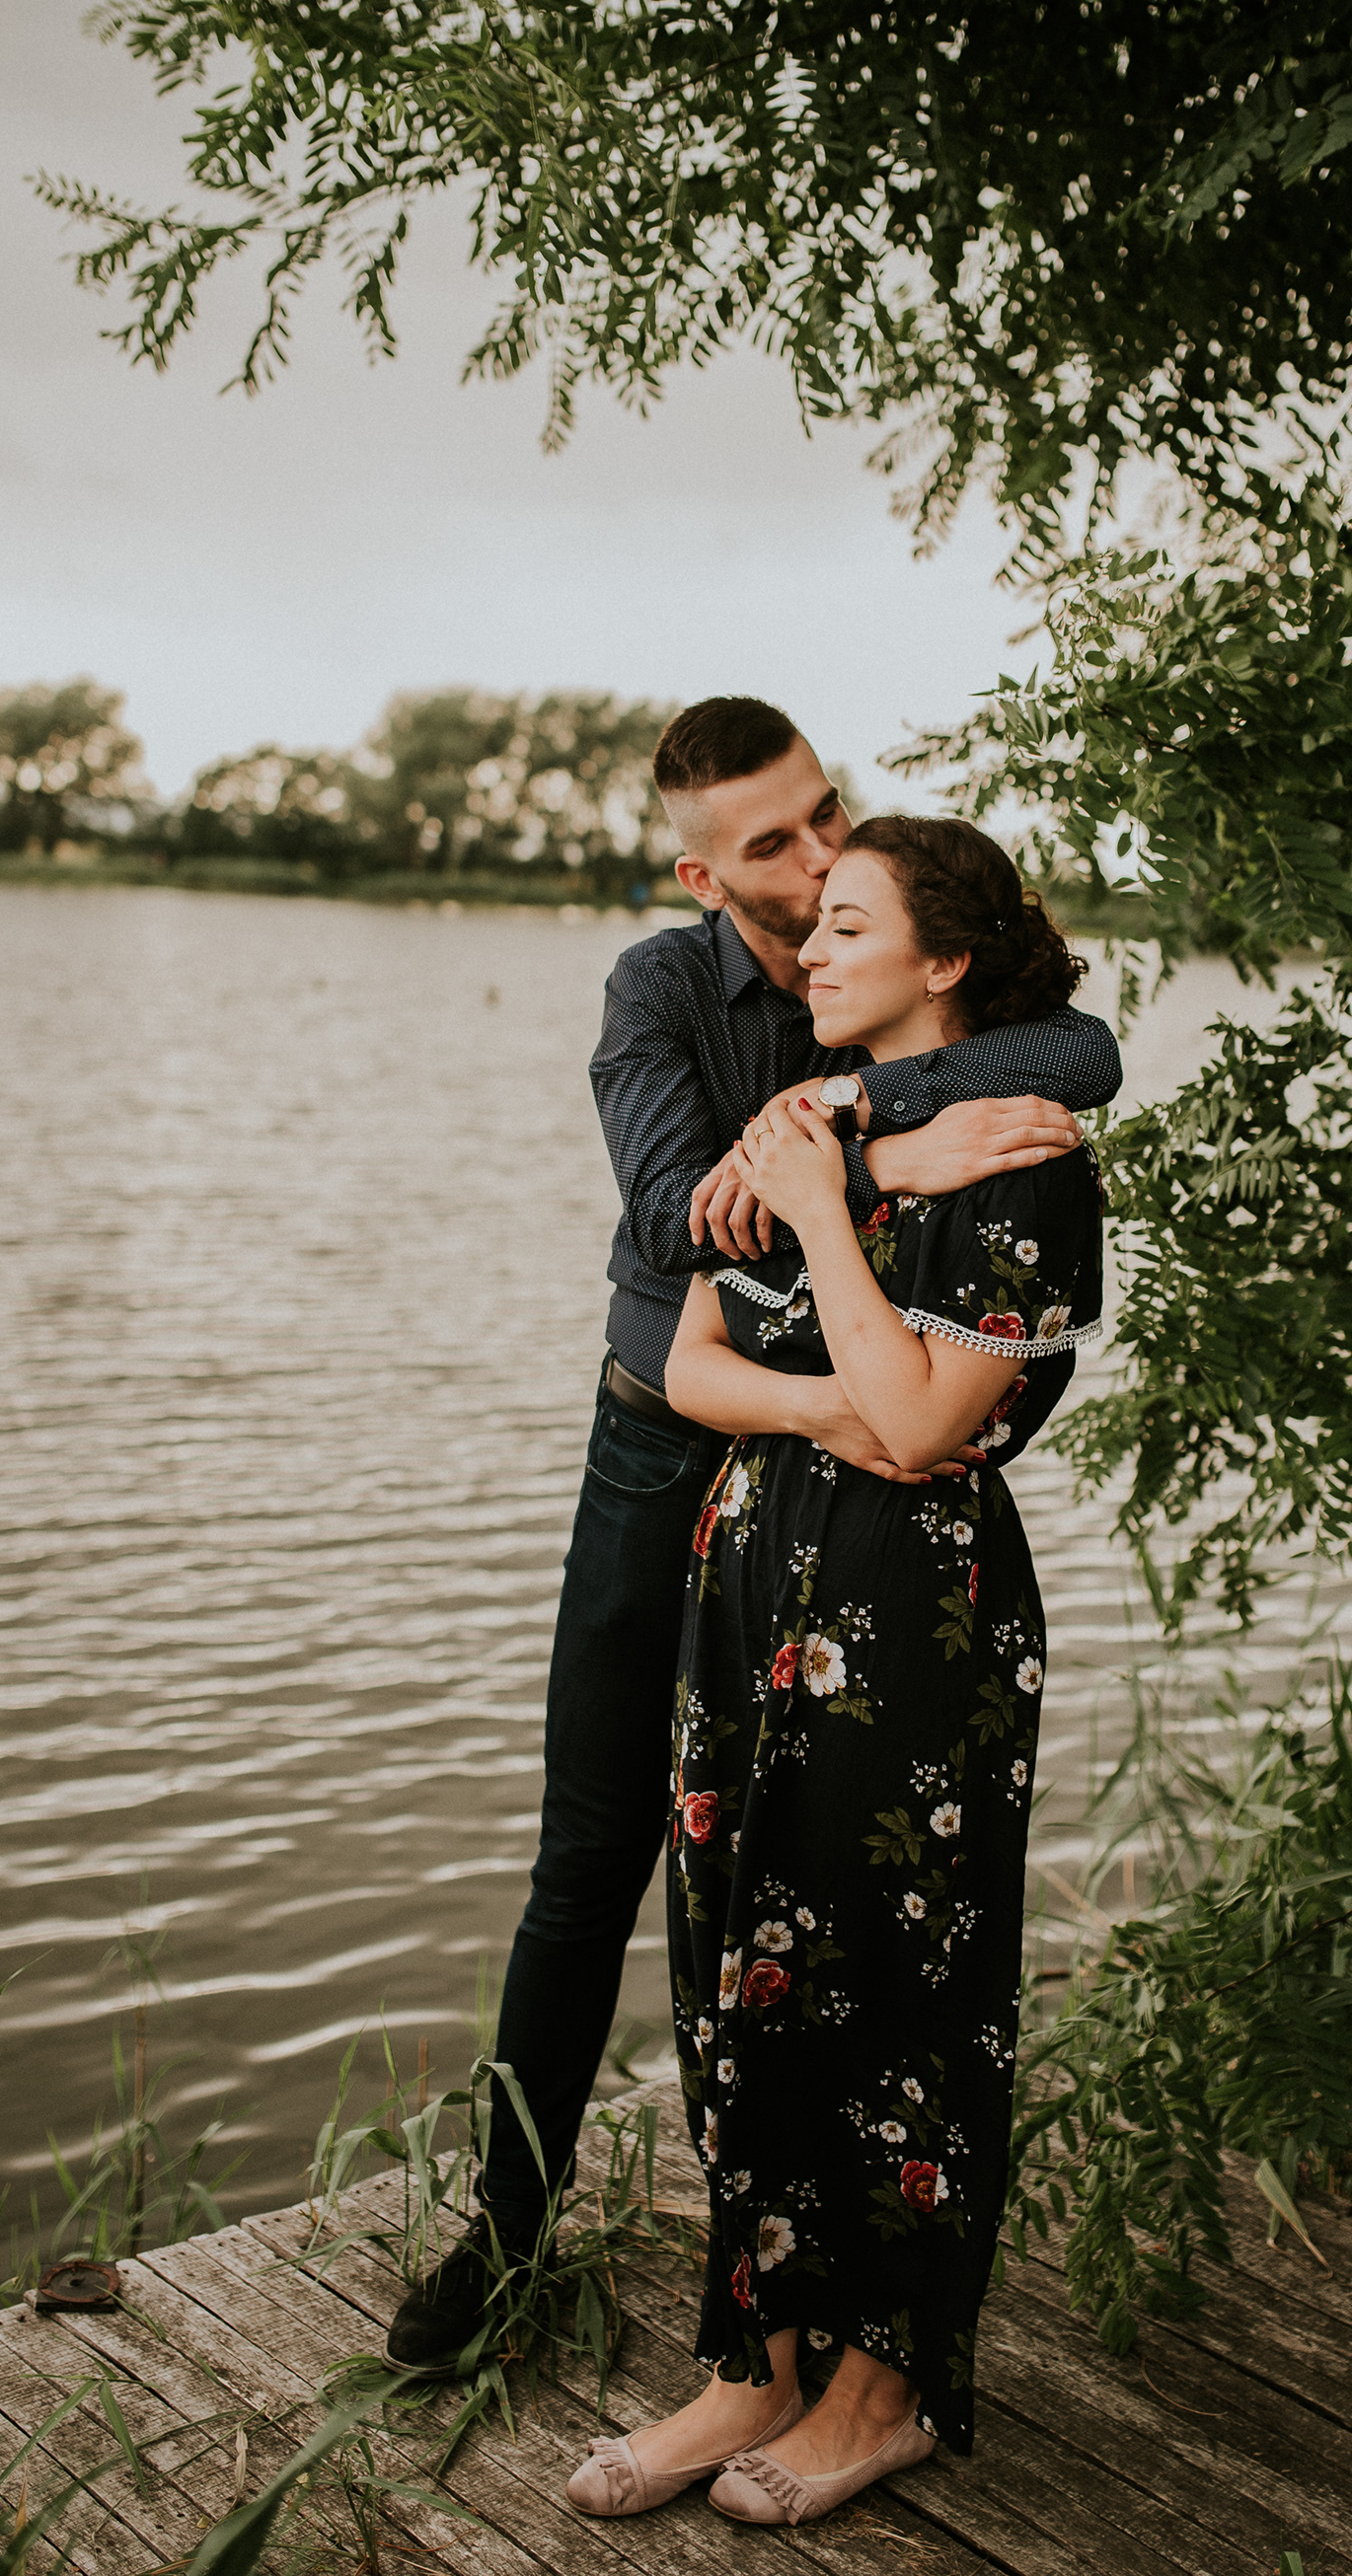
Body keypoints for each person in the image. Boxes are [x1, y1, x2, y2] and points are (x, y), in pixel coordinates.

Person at [385, 701, 1120, 2373]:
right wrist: (893, 1150)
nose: (815, 860)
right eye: (774, 846)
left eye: (825, 817)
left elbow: (1081, 1057)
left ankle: (791, 2288)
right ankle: (505, 2232)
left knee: (795, 1871)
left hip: (860, 1490)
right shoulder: (659, 992)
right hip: (675, 1442)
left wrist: (854, 1107)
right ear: (702, 873)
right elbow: (674, 1219)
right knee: (594, 1851)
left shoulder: (881, 958)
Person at [561, 816, 1103, 2524]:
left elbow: (932, 1421)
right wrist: (819, 1390)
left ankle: (884, 2388)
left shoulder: (1024, 1156)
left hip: (912, 1622)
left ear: (945, 961)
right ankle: (756, 2362)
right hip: (751, 1590)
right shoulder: (812, 1127)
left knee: (897, 1994)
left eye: (849, 924)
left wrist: (822, 1220)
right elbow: (691, 1360)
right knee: (740, 1975)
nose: (811, 951)